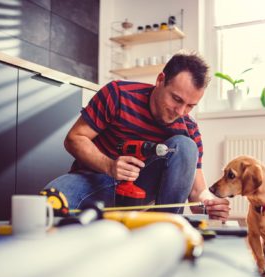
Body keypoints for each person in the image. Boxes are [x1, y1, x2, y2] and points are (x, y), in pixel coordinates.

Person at [44, 51, 230, 221]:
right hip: (93, 179)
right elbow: (74, 138)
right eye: (176, 99)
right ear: (160, 80)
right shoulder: (118, 94)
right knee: (48, 204)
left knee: (186, 146)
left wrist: (208, 205)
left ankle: (164, 227)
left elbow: (198, 191)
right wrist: (109, 166)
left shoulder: (188, 127)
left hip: (140, 191)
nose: (181, 111)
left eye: (190, 106)